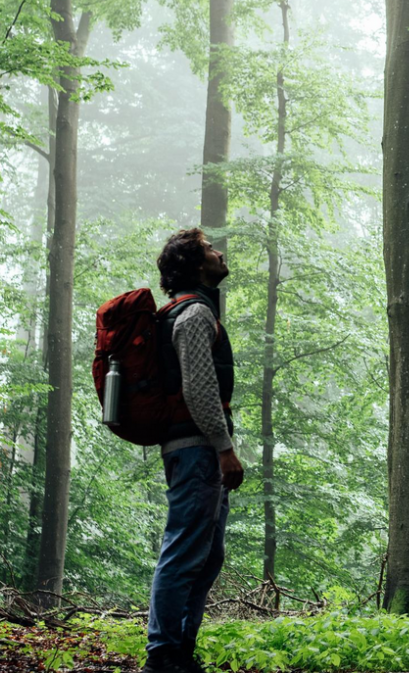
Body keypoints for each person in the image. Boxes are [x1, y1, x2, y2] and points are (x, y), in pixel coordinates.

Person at [144, 228, 245, 673]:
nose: (219, 252)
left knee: (207, 554)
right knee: (185, 550)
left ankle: (180, 650)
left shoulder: (194, 312)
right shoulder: (193, 316)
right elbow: (201, 390)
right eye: (208, 248)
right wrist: (224, 449)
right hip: (197, 451)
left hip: (199, 450)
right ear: (193, 264)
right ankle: (162, 653)